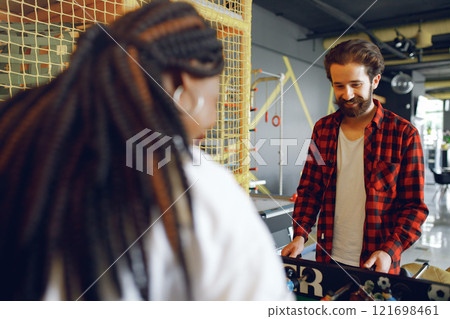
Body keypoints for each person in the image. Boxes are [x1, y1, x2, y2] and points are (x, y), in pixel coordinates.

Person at [0, 0, 292, 301]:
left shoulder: (20, 148)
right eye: (215, 99)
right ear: (184, 85)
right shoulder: (198, 187)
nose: (214, 120)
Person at [281, 39, 428, 275]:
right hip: (327, 259)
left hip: (376, 263)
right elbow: (310, 189)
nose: (347, 95)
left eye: (356, 84)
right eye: (339, 86)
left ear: (375, 81)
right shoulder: (323, 129)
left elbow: (414, 208)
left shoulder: (403, 134)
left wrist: (390, 251)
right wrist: (300, 234)